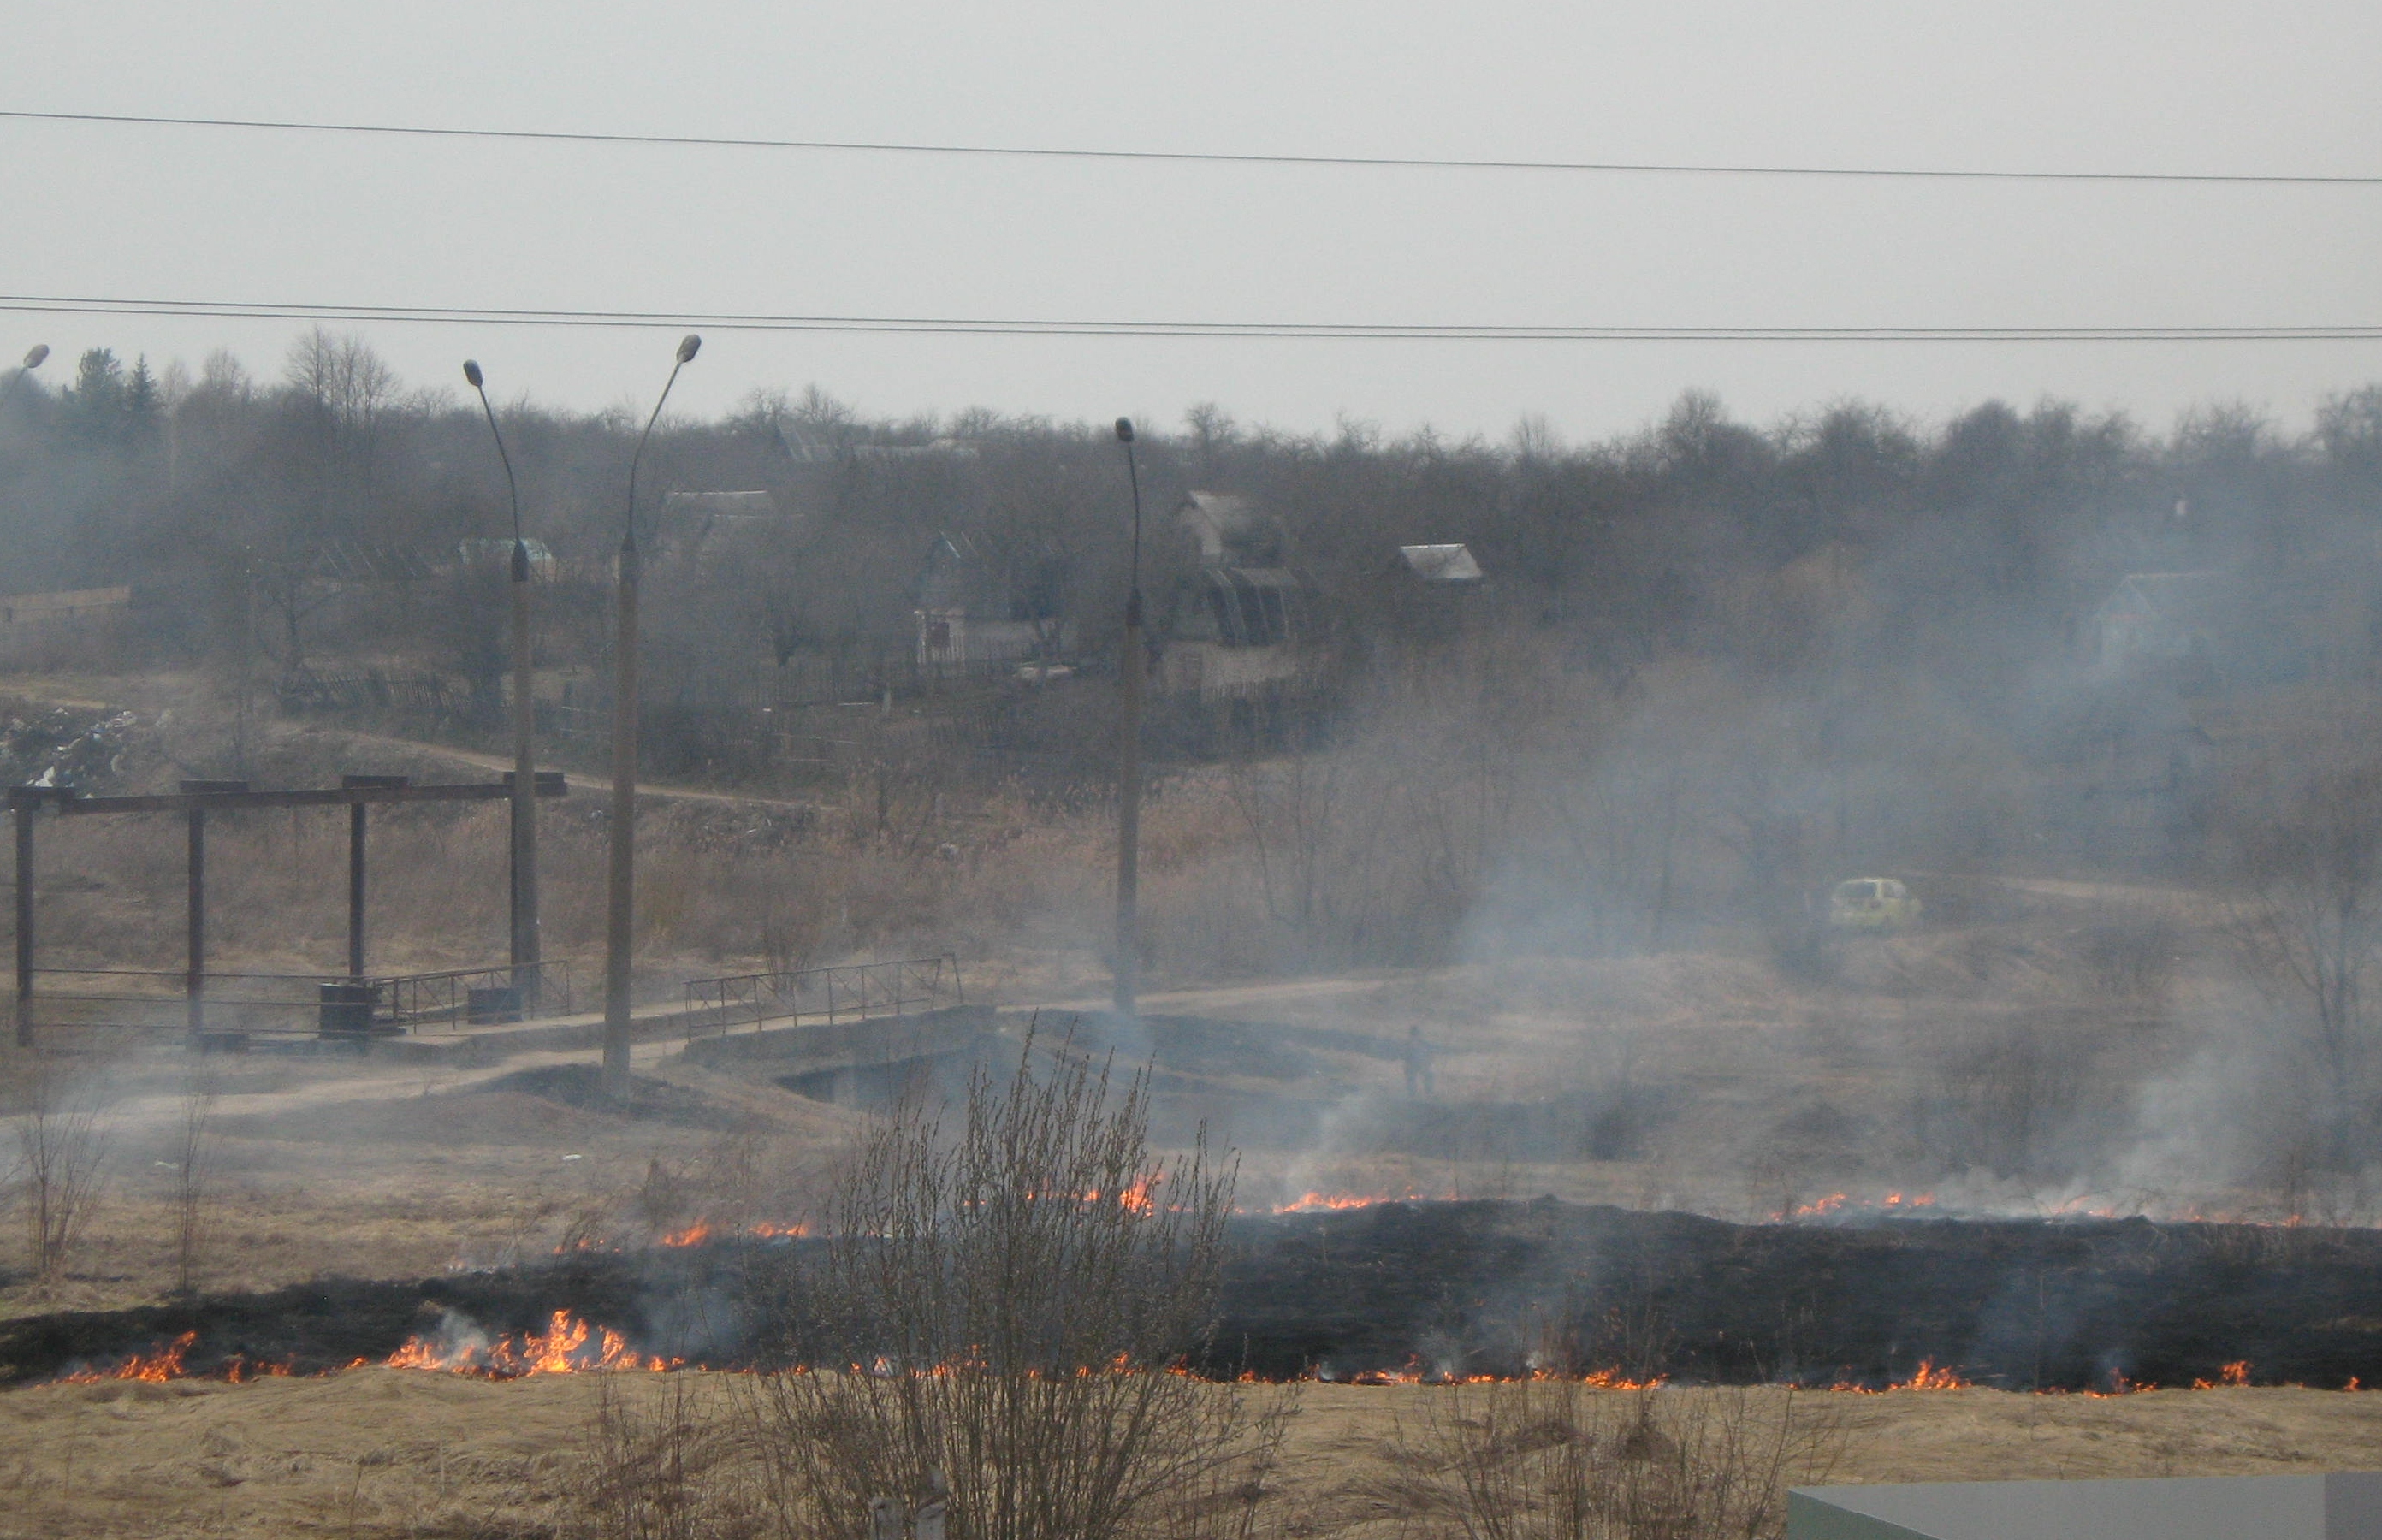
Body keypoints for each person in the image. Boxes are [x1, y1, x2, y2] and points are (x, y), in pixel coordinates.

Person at [1404, 1025, 1436, 1100]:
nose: (1415, 1037)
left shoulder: (1425, 1044)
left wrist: (1428, 1064)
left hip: (1424, 1064)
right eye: (1414, 1035)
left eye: (1417, 1034)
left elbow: (1430, 1056)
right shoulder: (1408, 1045)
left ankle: (1429, 1093)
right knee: (1411, 1076)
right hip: (1412, 1065)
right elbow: (1406, 1057)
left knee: (1429, 1074)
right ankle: (1412, 1094)